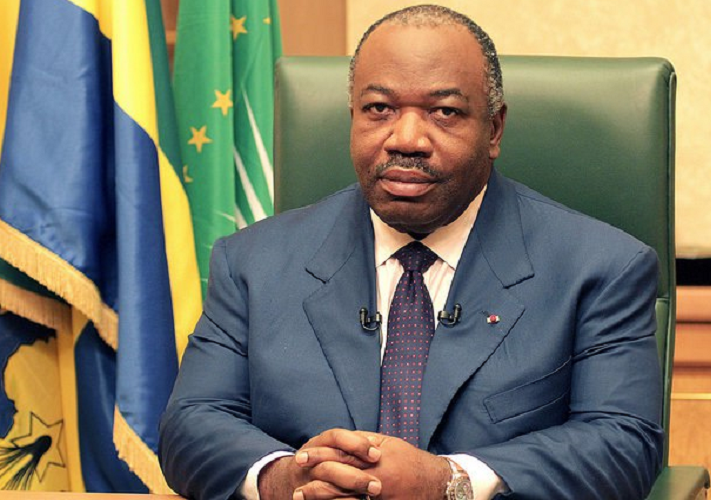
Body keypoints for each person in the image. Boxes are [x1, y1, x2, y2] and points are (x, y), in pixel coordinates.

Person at [159, 5, 664, 500]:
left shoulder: (600, 268)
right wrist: (283, 479)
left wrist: (448, 483)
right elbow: (191, 425)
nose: (406, 139)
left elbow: (623, 444)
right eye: (379, 109)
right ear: (353, 118)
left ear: (493, 129)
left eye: (444, 112)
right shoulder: (252, 262)